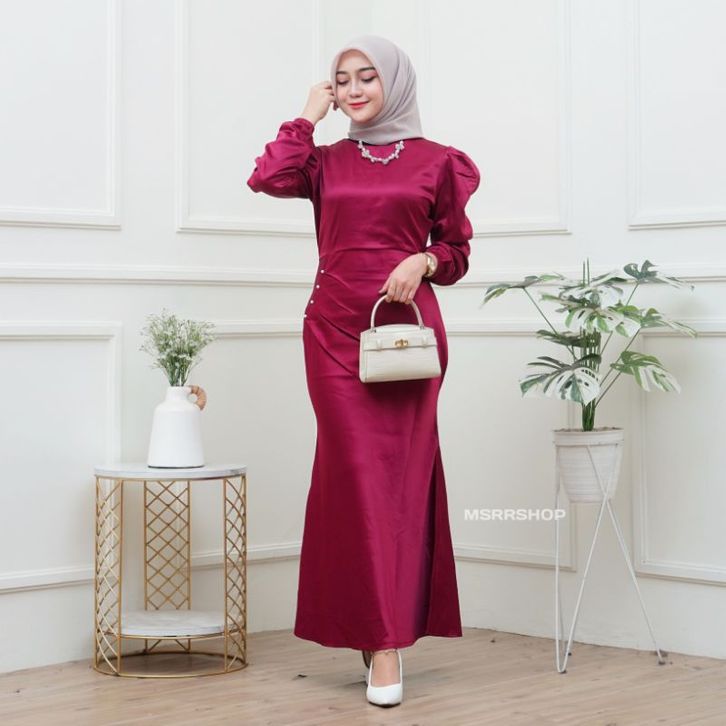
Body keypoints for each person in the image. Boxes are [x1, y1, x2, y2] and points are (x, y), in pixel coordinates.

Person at [247, 34, 481, 708]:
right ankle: (377, 633)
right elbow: (267, 177)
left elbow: (457, 251)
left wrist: (423, 260)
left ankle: (385, 642)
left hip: (406, 336)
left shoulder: (439, 162)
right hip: (332, 334)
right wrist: (307, 114)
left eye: (367, 77)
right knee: (354, 483)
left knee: (397, 487)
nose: (353, 89)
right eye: (342, 79)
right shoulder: (322, 162)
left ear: (395, 82)